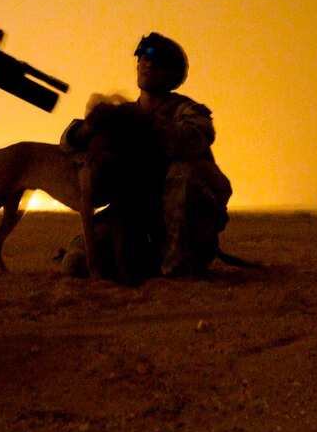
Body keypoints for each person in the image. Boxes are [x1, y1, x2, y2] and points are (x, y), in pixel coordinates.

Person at [59, 33, 232, 278]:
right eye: (142, 59)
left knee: (185, 172)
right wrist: (88, 127)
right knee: (76, 262)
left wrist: (143, 123)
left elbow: (193, 141)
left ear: (173, 73)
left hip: (181, 223)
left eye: (157, 61)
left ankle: (178, 264)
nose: (147, 64)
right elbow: (67, 144)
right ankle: (144, 261)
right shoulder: (124, 114)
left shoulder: (187, 111)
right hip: (135, 218)